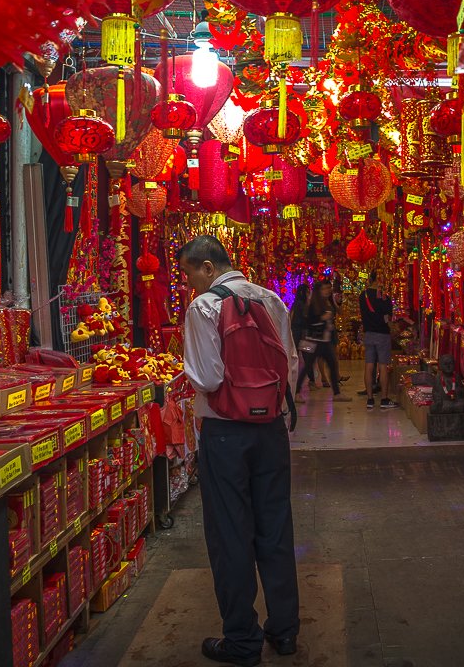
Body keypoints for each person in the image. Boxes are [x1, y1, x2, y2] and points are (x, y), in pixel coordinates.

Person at [178, 236, 300, 666]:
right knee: (276, 527)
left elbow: (208, 379)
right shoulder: (270, 298)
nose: (189, 284)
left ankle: (242, 640)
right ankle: (284, 631)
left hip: (226, 433)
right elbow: (290, 362)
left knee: (230, 533)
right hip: (270, 430)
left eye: (190, 274)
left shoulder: (203, 307)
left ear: (208, 268)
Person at [294, 280, 342, 399]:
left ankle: (337, 393)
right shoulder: (312, 304)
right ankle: (297, 392)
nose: (327, 291)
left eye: (328, 288)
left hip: (324, 341)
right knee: (307, 367)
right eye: (325, 289)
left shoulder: (326, 303)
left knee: (332, 364)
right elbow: (309, 322)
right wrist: (322, 318)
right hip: (315, 341)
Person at [359, 275, 396, 410]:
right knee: (382, 366)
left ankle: (370, 399)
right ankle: (384, 399)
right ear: (378, 280)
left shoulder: (363, 296)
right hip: (382, 335)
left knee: (369, 366)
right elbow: (388, 316)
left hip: (368, 334)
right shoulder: (385, 297)